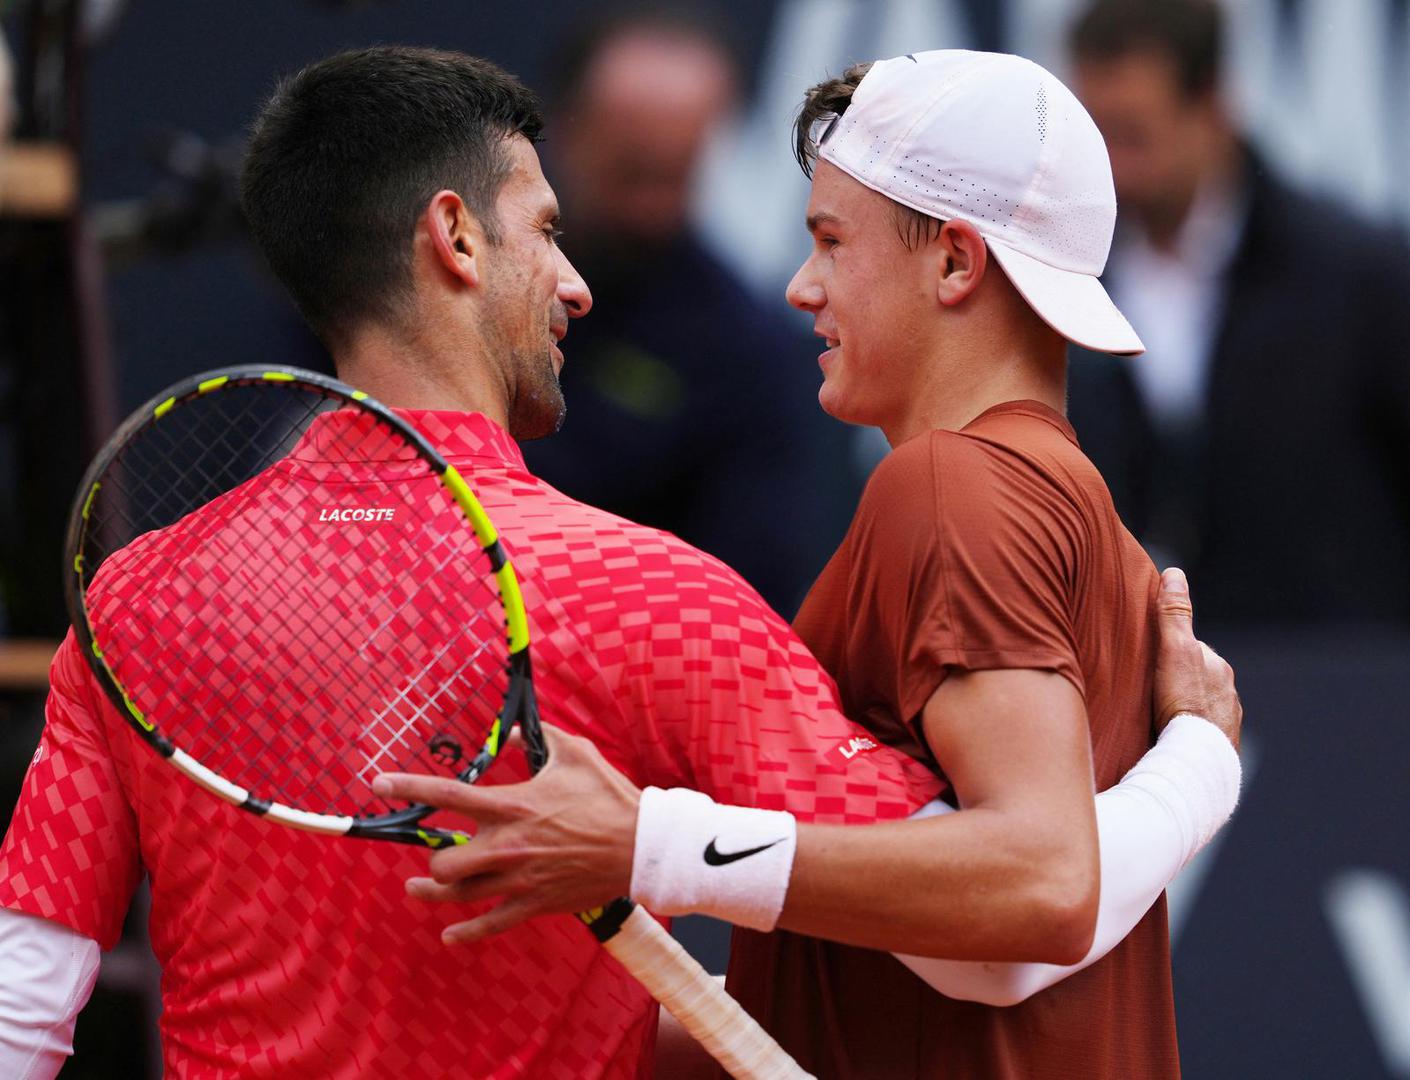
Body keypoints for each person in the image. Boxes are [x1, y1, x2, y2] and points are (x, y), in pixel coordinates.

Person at [0, 47, 1237, 1080]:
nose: (582, 284)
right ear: (455, 241)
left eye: (830, 240)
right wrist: (1201, 767)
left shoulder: (137, 601)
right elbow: (1000, 939)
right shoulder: (657, 601)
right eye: (548, 231)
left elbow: (21, 1009)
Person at [375, 51, 1242, 1078]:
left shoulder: (949, 487)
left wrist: (650, 846)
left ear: (957, 264)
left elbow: (1039, 889)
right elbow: (896, 986)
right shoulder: (1078, 511)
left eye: (832, 242)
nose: (800, 288)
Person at [1065, 0, 1410, 623]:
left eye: (1134, 136)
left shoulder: (1360, 279)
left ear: (1213, 108)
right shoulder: (1057, 284)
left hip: (1342, 693)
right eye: (1094, 136)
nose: (1112, 168)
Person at [521, 8, 856, 617]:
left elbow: (749, 600)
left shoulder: (750, 352)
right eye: (632, 172)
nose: (650, 209)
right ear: (564, 130)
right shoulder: (453, 287)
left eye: (676, 176)